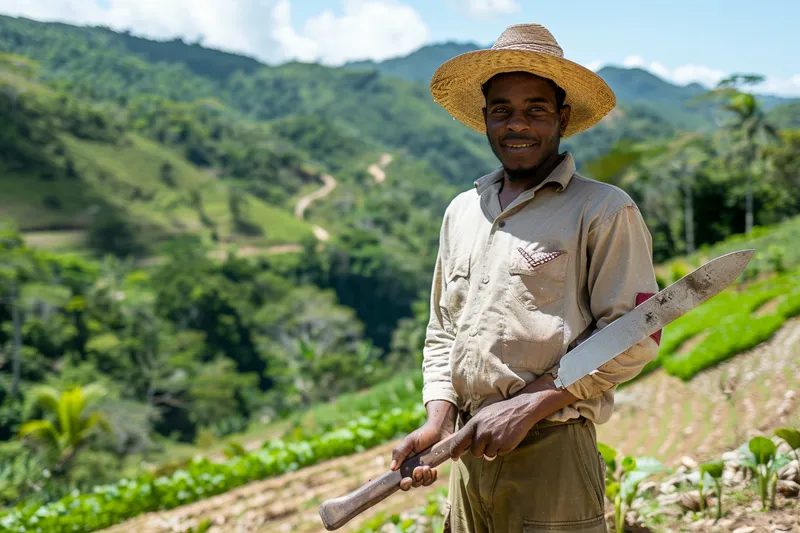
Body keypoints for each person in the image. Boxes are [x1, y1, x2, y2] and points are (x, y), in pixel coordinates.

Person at [388, 24, 662, 533]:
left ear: (562, 118)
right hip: (467, 455)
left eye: (536, 109)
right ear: (485, 119)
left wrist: (532, 405)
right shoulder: (462, 212)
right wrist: (438, 420)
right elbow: (443, 330)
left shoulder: (602, 210)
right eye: (502, 111)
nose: (518, 124)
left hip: (551, 453)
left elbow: (635, 334)